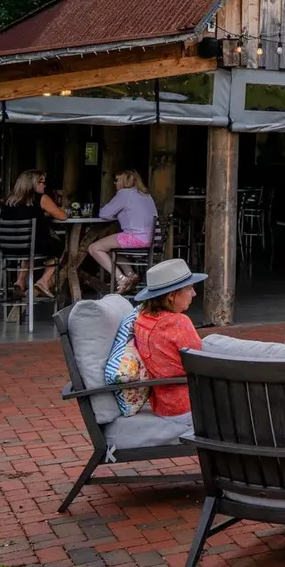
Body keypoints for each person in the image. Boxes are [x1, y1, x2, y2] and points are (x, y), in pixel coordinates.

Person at [130, 258, 207, 427]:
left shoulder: (142, 318)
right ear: (171, 296)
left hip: (163, 406)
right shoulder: (178, 322)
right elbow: (200, 364)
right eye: (189, 288)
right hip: (188, 406)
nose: (194, 293)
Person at [1, 169, 67, 300]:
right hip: (33, 246)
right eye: (41, 182)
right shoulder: (41, 198)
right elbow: (63, 216)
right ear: (33, 183)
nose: (44, 185)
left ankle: (20, 282)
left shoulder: (8, 200)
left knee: (29, 247)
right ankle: (44, 280)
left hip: (8, 247)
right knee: (61, 246)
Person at [90, 169, 158, 292]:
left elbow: (104, 213)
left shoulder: (124, 194)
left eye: (117, 180)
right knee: (109, 248)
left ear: (124, 181)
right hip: (151, 238)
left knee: (94, 248)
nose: (115, 183)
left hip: (135, 237)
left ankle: (121, 278)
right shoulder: (146, 195)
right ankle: (131, 275)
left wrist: (115, 214)